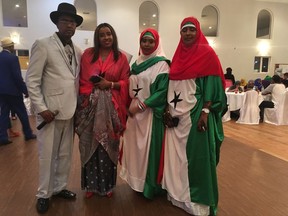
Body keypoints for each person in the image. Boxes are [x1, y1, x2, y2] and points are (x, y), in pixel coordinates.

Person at [161, 17, 226, 216]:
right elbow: (172, 87)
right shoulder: (178, 55)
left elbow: (213, 87)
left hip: (196, 115)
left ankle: (197, 202)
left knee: (196, 159)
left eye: (191, 30)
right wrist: (165, 109)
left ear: (198, 31)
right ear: (180, 34)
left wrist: (205, 113)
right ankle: (178, 195)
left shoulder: (207, 53)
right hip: (174, 118)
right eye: (184, 30)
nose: (188, 33)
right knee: (177, 159)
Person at [25, 2, 83, 214]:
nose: (69, 25)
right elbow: (32, 80)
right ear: (57, 23)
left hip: (70, 111)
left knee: (65, 154)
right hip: (49, 113)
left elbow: (73, 80)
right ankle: (43, 193)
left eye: (73, 22)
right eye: (65, 21)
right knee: (47, 155)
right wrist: (41, 108)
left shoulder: (77, 51)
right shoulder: (43, 44)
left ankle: (59, 188)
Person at [75, 23, 130, 199]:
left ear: (113, 36)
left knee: (108, 148)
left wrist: (110, 85)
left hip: (111, 111)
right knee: (89, 146)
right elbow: (81, 81)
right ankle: (91, 186)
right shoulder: (88, 55)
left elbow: (127, 82)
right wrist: (93, 94)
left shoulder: (121, 58)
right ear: (97, 38)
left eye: (109, 34)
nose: (106, 38)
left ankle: (107, 186)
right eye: (102, 35)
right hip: (89, 108)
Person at [119, 29, 169, 199]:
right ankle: (136, 182)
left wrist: (141, 105)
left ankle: (149, 186)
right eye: (144, 41)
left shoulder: (162, 64)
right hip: (133, 116)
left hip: (149, 114)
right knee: (135, 151)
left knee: (147, 151)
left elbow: (162, 92)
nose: (147, 45)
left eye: (150, 41)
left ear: (157, 43)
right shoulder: (135, 64)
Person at [0, 37, 36, 146]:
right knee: (22, 112)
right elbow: (17, 77)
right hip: (13, 91)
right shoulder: (13, 58)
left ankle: (2, 137)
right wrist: (25, 90)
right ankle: (28, 133)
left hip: (1, 91)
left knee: (4, 114)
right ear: (11, 46)